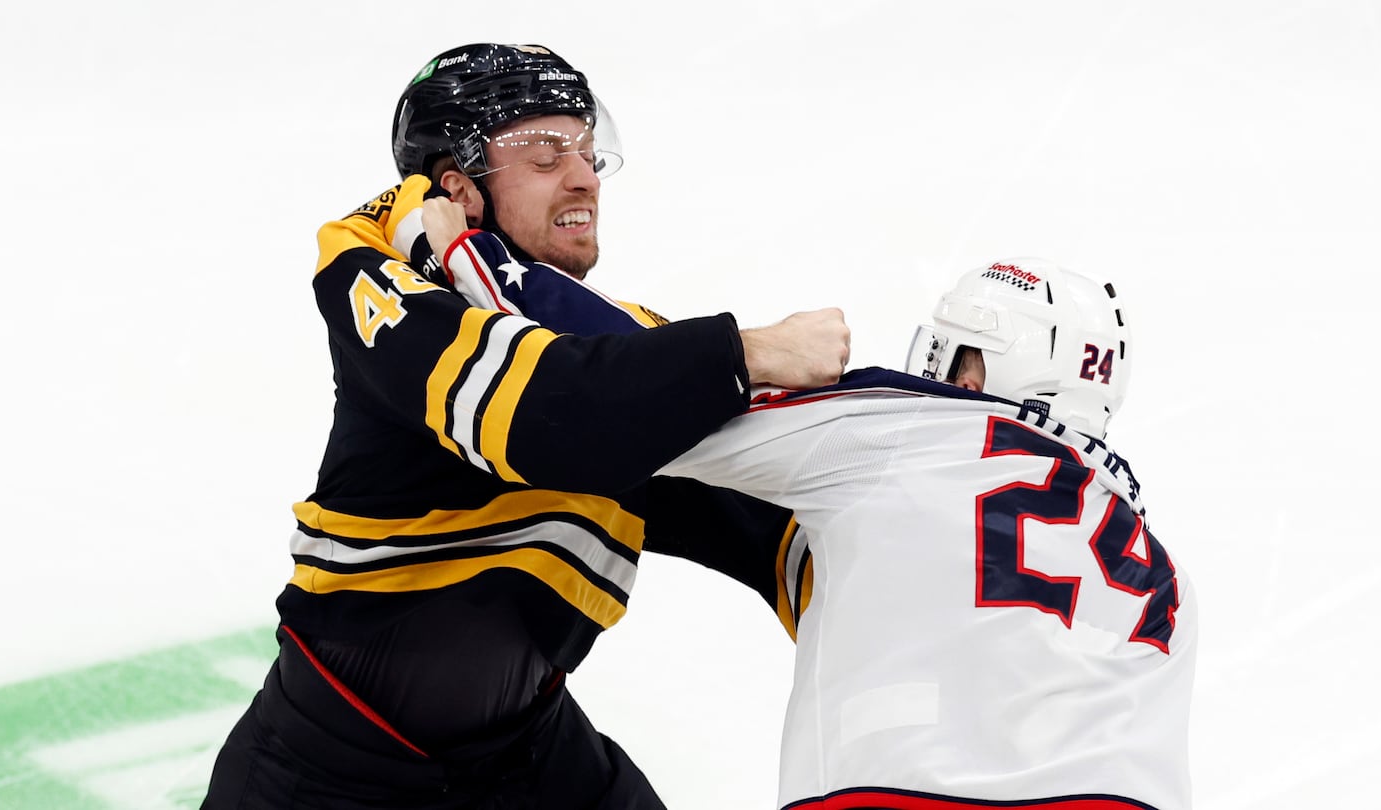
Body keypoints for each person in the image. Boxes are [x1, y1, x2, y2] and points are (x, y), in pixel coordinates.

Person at [201, 43, 848, 809]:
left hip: (529, 760)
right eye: (544, 156)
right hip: (325, 775)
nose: (582, 177)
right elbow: (548, 417)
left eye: (584, 150)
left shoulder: (617, 353)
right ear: (457, 187)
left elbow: (760, 520)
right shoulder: (374, 269)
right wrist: (747, 350)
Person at [659, 258, 1197, 810]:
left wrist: (746, 348)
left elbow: (662, 410)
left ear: (976, 375)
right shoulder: (1166, 580)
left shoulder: (906, 431)